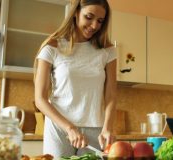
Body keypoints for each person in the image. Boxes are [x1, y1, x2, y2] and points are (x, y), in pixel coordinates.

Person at [34, 0, 116, 158]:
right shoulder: (52, 46)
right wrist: (69, 128)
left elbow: (111, 95)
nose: (94, 26)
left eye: (100, 21)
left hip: (95, 130)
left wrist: (108, 127)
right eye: (89, 17)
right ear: (76, 12)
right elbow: (40, 99)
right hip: (59, 128)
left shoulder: (108, 50)